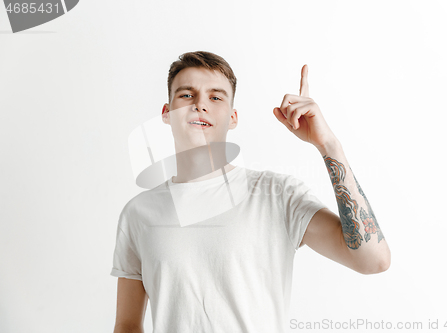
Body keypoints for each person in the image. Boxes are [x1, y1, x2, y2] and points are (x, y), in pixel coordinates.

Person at [110, 51, 391, 333]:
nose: (200, 105)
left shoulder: (277, 195)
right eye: (186, 95)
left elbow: (373, 259)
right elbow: (127, 325)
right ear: (167, 113)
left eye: (215, 97)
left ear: (233, 117)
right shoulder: (138, 213)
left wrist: (328, 145)